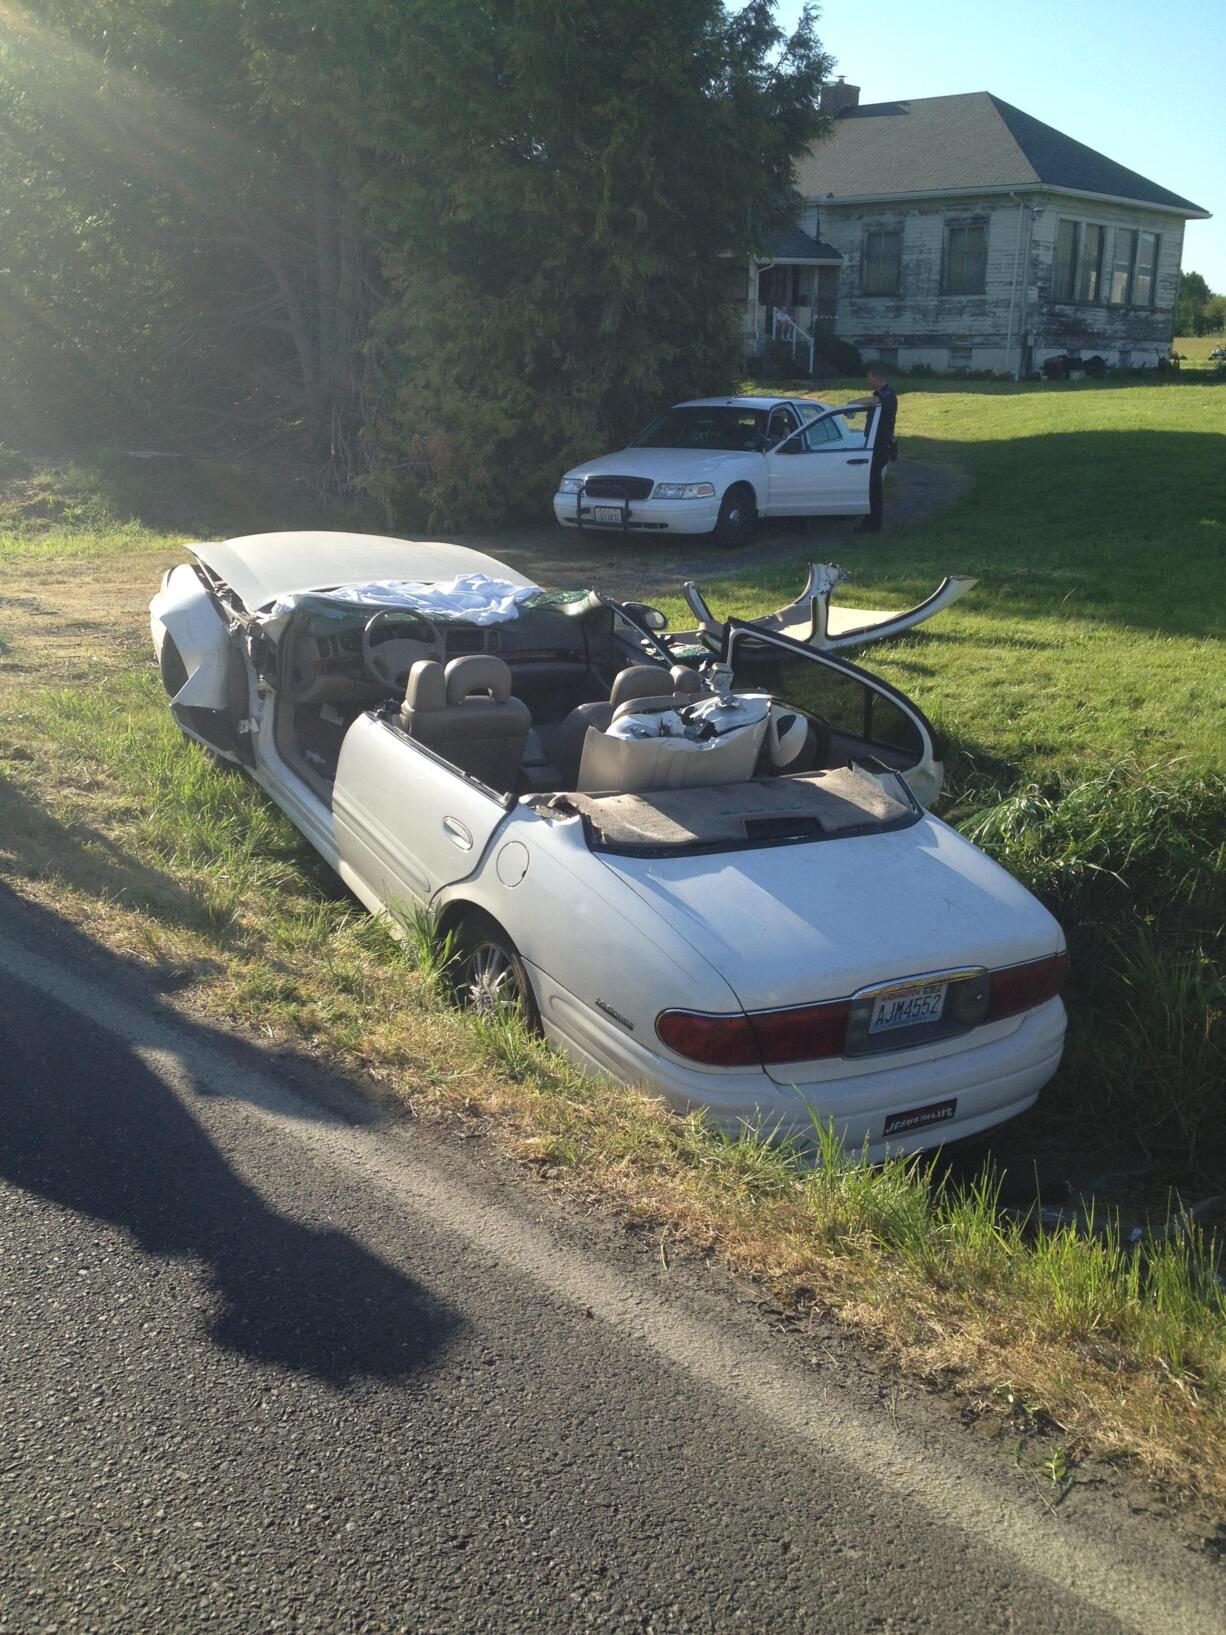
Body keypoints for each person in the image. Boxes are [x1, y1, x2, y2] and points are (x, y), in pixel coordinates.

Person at [844, 364, 898, 535]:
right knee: (871, 486)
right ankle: (870, 522)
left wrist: (851, 404)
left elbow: (874, 402)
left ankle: (873, 525)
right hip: (874, 446)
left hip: (880, 447)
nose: (868, 381)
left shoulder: (888, 395)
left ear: (876, 378)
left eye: (869, 378)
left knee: (874, 488)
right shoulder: (881, 395)